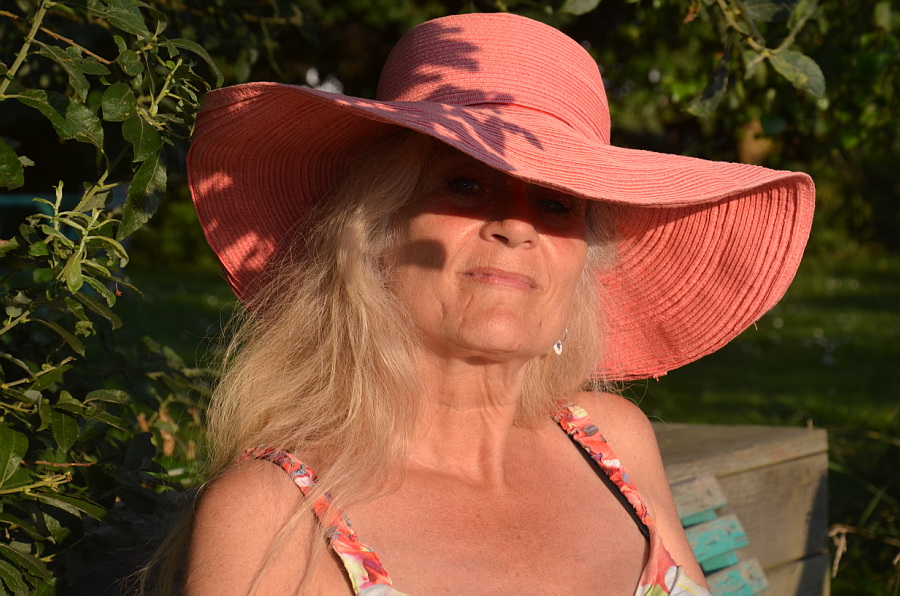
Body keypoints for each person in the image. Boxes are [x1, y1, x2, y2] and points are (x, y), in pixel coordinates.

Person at [180, 11, 814, 595]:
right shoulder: (271, 515)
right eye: (465, 183)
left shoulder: (613, 442)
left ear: (583, 260)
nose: (516, 226)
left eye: (556, 202)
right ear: (374, 233)